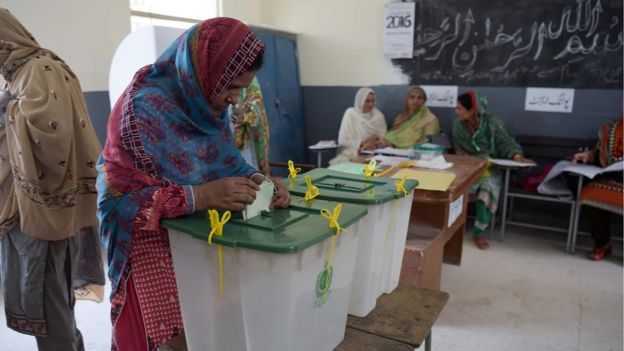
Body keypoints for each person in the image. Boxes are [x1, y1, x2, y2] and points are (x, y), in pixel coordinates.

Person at [97, 17, 291, 350]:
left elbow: (222, 158)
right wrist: (198, 196)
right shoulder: (144, 106)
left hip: (192, 235)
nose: (234, 100)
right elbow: (122, 198)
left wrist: (257, 179)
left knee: (206, 327)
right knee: (166, 337)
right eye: (230, 87)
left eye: (241, 89)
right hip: (143, 239)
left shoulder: (206, 104)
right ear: (203, 69)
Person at [0, 8, 102, 351]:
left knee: (48, 304)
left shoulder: (37, 69)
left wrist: (5, 112)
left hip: (41, 207)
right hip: (35, 207)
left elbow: (51, 137)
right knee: (52, 298)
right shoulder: (23, 72)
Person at [452, 90, 532, 250]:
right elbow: (460, 151)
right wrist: (473, 162)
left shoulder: (492, 123)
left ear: (472, 110)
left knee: (487, 188)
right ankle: (452, 227)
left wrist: (516, 155)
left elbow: (504, 141)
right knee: (454, 185)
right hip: (467, 167)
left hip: (490, 168)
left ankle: (479, 232)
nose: (457, 111)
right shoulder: (458, 126)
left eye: (460, 108)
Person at [573, 117, 623, 261]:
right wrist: (587, 156)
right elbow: (598, 152)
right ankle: (603, 244)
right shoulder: (609, 128)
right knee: (590, 194)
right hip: (614, 180)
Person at [329, 87, 387, 165]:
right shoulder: (350, 113)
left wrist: (373, 140)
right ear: (360, 101)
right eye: (367, 101)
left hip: (373, 154)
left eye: (373, 101)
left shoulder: (378, 116)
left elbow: (383, 137)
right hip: (350, 153)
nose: (371, 104)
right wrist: (363, 143)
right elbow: (343, 140)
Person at [230, 76, 271, 175]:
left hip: (245, 137)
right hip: (224, 133)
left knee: (248, 174)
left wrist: (245, 116)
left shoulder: (250, 78)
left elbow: (256, 105)